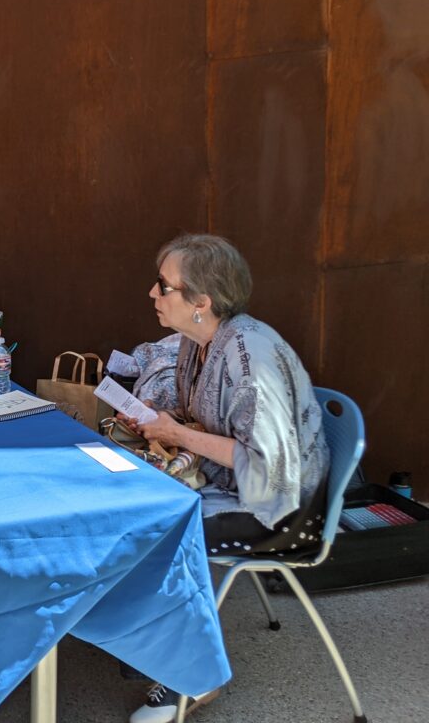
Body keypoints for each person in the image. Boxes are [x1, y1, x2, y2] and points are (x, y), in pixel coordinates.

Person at [124, 233, 330, 723]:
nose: (153, 294)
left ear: (201, 301)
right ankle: (145, 644)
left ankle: (193, 679)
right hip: (229, 481)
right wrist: (160, 419)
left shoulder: (250, 357)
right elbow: (208, 419)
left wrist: (179, 434)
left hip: (278, 508)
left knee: (157, 530)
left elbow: (271, 468)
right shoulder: (198, 342)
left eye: (163, 286)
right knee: (131, 506)